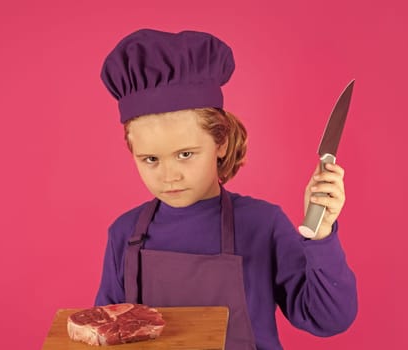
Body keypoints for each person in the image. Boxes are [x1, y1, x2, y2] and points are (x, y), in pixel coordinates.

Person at [94, 29, 357, 350]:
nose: (169, 176)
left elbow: (329, 318)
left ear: (220, 141)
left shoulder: (263, 225)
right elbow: (104, 338)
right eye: (150, 159)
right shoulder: (124, 234)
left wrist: (321, 234)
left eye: (185, 154)